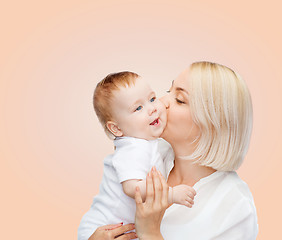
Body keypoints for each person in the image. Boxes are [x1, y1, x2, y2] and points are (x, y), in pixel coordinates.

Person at [134, 61, 259, 239]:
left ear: (214, 124)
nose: (161, 103)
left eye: (179, 100)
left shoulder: (235, 207)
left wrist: (150, 233)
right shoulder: (145, 157)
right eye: (169, 91)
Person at [78, 72, 196, 240]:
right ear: (117, 129)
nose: (152, 108)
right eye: (138, 108)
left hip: (124, 229)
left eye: (152, 99)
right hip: (103, 228)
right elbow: (132, 188)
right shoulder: (133, 148)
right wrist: (171, 194)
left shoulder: (151, 143)